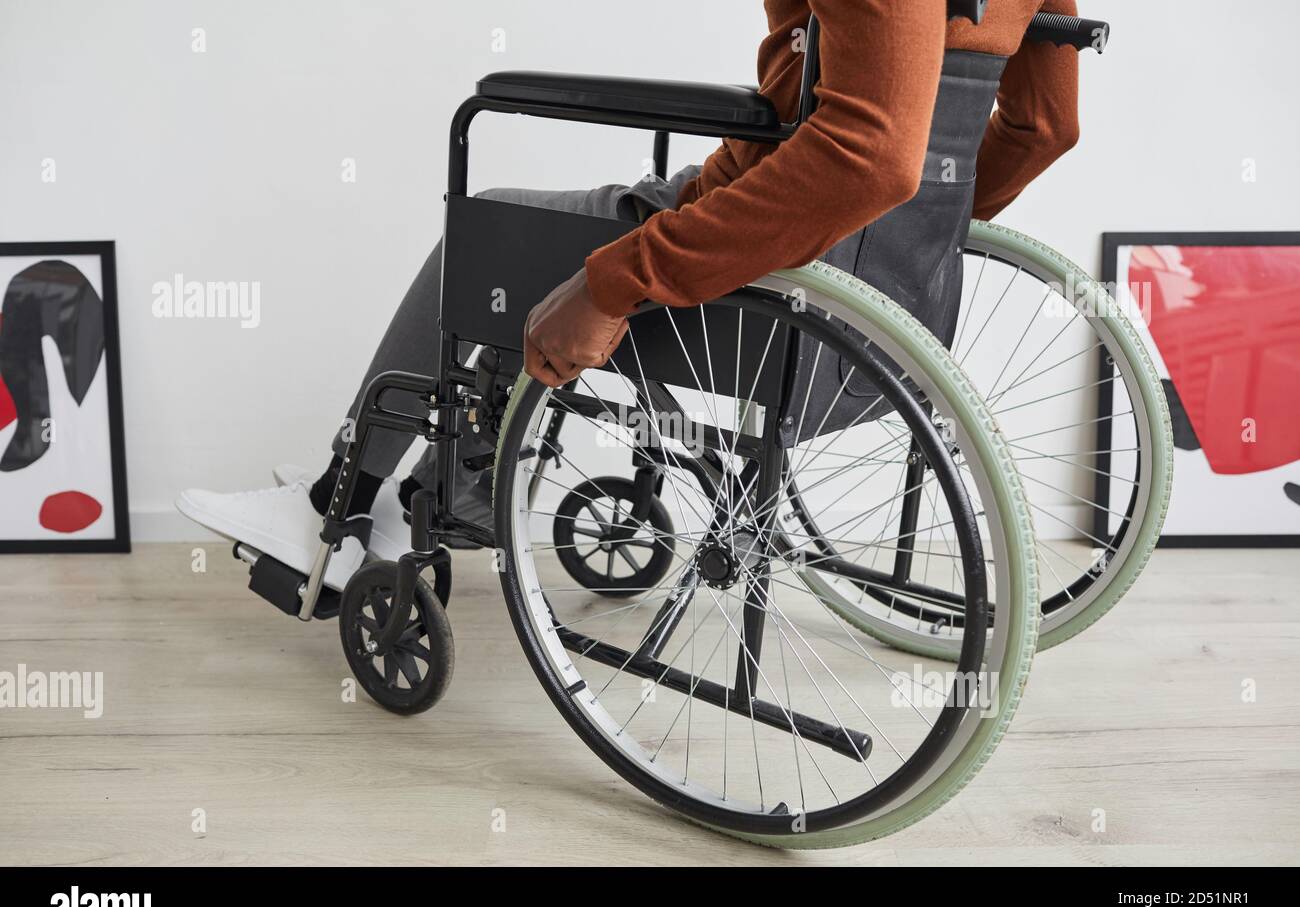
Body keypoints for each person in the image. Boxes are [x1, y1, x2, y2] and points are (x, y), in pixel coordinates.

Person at [178, 0, 1080, 590]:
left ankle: (334, 511)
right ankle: (431, 487)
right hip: (889, 305)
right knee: (567, 231)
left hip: (774, 296)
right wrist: (901, 240)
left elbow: (870, 156)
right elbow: (1044, 129)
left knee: (487, 231)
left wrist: (623, 278)